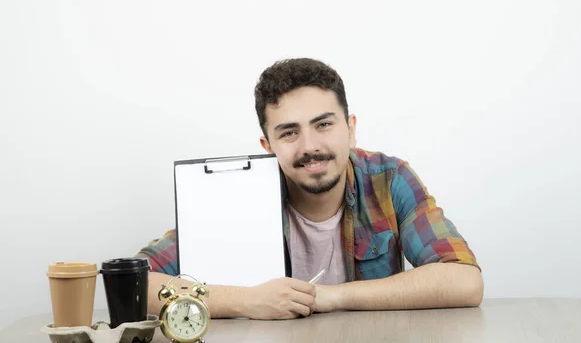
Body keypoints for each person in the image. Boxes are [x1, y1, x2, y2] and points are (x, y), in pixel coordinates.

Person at [136, 58, 483, 320]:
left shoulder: (388, 180)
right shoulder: (235, 194)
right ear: (267, 145)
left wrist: (329, 297)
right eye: (289, 132)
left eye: (324, 125)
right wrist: (247, 300)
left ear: (350, 128)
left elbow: (464, 281)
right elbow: (135, 285)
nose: (310, 146)